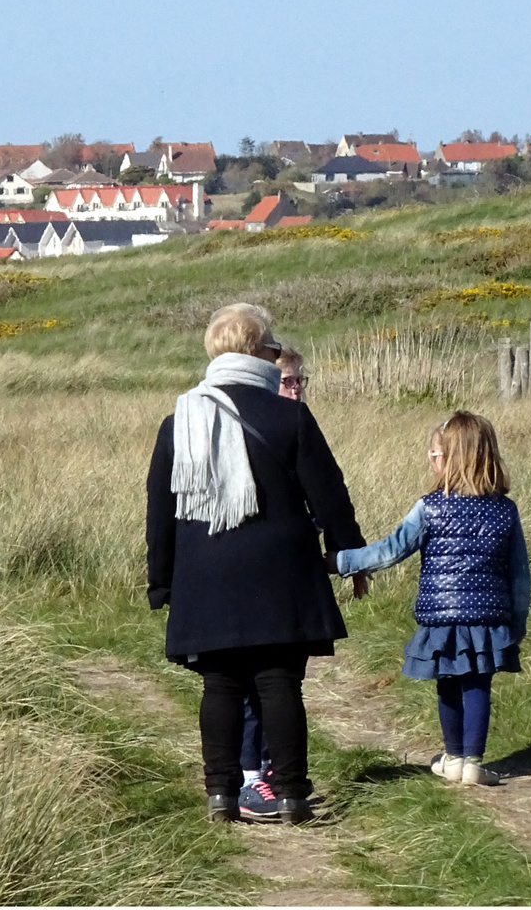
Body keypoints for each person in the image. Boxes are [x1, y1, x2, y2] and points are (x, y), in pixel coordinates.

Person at [146, 304, 366, 824]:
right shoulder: (289, 416)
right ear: (257, 350)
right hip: (281, 572)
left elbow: (160, 510)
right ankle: (290, 794)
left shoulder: (179, 422)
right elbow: (330, 497)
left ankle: (221, 794)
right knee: (279, 683)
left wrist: (163, 581)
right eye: (271, 346)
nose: (274, 354)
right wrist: (347, 554)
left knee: (219, 684)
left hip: (206, 575)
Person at [327, 410, 530, 787]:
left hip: (441, 616)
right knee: (477, 684)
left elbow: (391, 550)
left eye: (435, 454)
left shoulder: (430, 507)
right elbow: (520, 576)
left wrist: (340, 561)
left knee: (447, 682)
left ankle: (452, 756)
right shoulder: (506, 510)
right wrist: (517, 623)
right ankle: (472, 762)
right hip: (488, 618)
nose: (430, 460)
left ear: (453, 458)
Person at [238, 345, 312, 821]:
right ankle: (249, 779)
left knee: (285, 677)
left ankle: (271, 766)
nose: (297, 388)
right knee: (251, 680)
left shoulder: (298, 425)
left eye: (301, 380)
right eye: (287, 381)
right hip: (251, 573)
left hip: (290, 571)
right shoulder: (252, 426)